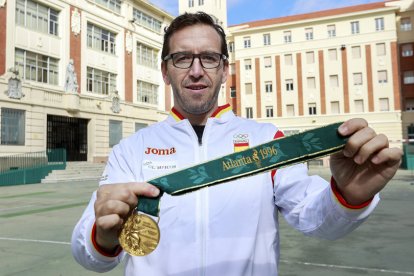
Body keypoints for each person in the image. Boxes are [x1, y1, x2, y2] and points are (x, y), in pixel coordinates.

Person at [71, 12, 402, 275]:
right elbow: (88, 255)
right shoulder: (132, 149)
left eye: (209, 58)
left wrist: (349, 195)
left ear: (225, 68)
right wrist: (103, 237)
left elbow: (314, 218)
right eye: (182, 58)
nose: (197, 71)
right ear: (165, 71)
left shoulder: (266, 140)